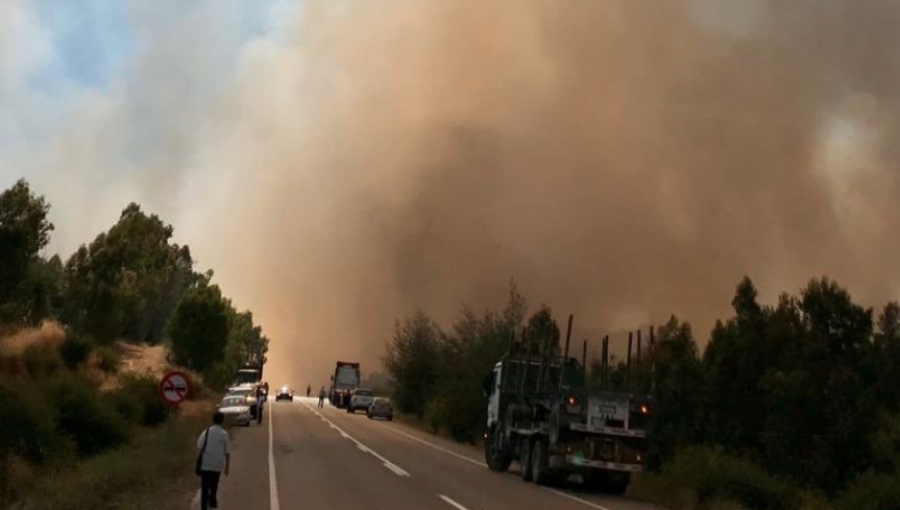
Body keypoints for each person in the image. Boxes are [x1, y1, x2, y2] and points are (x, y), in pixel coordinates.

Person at [197, 412, 230, 510]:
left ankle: (203, 506)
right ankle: (212, 503)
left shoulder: (206, 431)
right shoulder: (224, 434)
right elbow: (227, 451)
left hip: (206, 464)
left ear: (213, 420)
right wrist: (227, 466)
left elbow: (199, 445)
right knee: (214, 484)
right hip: (217, 465)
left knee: (205, 486)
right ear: (222, 421)